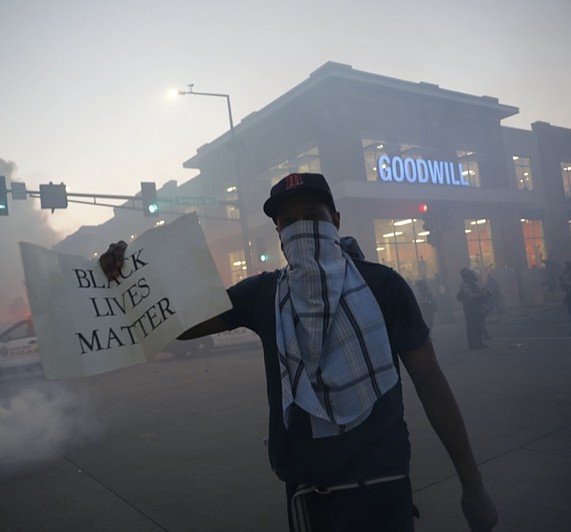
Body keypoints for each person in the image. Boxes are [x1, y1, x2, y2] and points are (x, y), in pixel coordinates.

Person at [100, 173, 497, 532]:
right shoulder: (264, 293)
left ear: (335, 220)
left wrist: (472, 484)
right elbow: (182, 325)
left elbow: (430, 382)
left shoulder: (383, 286)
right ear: (278, 233)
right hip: (308, 493)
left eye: (312, 215)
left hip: (383, 486)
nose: (301, 228)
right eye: (289, 222)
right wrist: (129, 276)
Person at [457, 268, 490, 350]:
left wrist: (484, 292)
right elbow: (470, 295)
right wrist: (482, 294)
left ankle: (479, 343)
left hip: (476, 305)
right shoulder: (464, 285)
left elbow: (478, 291)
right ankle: (473, 345)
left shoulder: (473, 284)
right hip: (470, 306)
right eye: (470, 274)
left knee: (478, 324)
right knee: (472, 326)